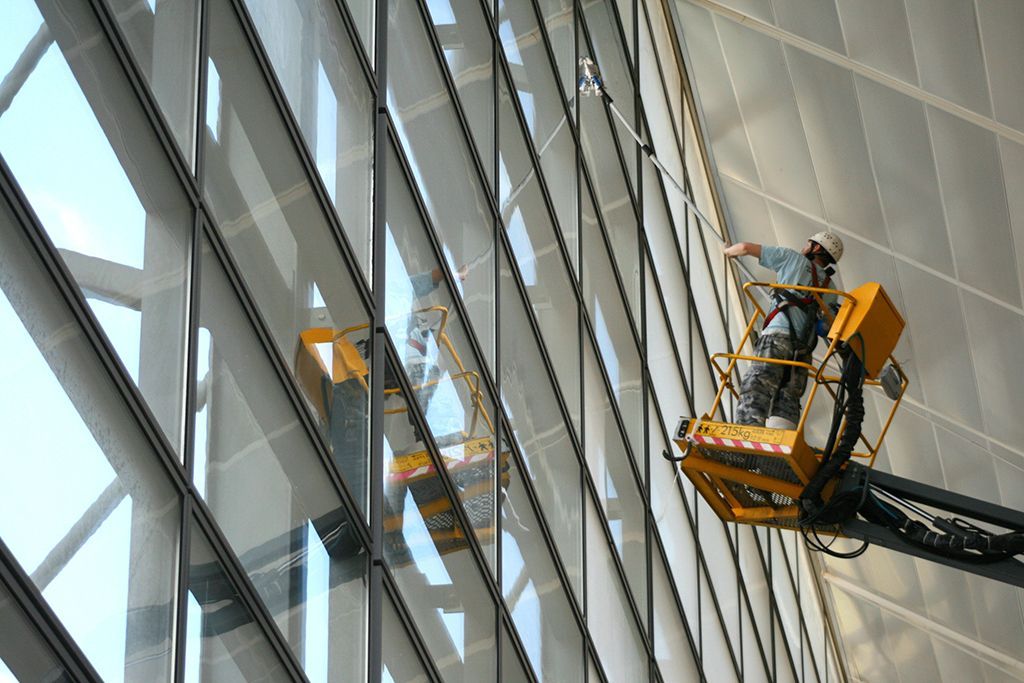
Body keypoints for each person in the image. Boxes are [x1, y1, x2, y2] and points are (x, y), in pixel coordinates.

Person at [724, 232, 844, 430]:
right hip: (803, 350)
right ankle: (781, 439)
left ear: (816, 248)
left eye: (809, 243)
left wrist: (727, 250)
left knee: (758, 384)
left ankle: (748, 434)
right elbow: (826, 327)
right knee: (788, 397)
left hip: (777, 336)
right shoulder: (830, 287)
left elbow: (745, 248)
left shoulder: (792, 258)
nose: (805, 246)